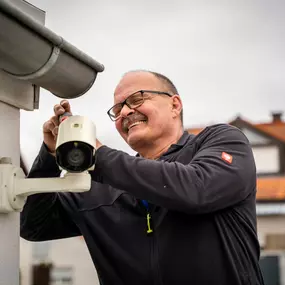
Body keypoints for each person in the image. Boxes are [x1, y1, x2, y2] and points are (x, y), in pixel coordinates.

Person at [20, 70, 265, 285]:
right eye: (117, 109)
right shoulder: (98, 186)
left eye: (137, 99)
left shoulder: (222, 140)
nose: (125, 111)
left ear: (175, 105)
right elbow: (34, 225)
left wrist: (98, 156)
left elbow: (196, 189)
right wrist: (50, 155)